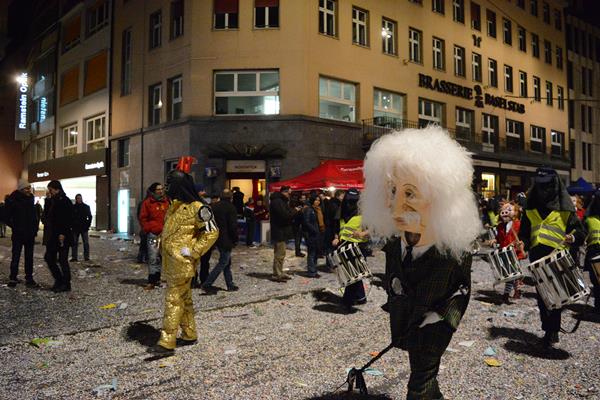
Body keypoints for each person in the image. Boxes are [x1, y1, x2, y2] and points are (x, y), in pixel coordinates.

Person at [360, 126, 481, 399]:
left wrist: (440, 317)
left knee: (420, 379)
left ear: (440, 198)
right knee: (422, 371)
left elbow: (462, 291)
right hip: (404, 320)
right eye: (393, 191)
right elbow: (393, 278)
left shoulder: (453, 252)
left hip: (433, 326)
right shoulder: (395, 246)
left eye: (410, 193)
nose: (397, 206)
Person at [152, 158, 219, 354]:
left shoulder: (199, 208)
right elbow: (171, 231)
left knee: (173, 300)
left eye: (168, 183)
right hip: (171, 262)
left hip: (183, 263)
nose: (165, 187)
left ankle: (167, 340)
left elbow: (212, 232)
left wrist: (194, 251)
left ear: (179, 185)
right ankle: (189, 334)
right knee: (185, 299)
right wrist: (160, 241)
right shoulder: (173, 207)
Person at [520, 167, 586, 348]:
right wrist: (522, 244)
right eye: (540, 185)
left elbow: (580, 232)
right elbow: (524, 233)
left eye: (547, 185)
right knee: (542, 297)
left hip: (558, 258)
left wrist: (572, 237)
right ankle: (548, 330)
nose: (543, 189)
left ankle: (552, 331)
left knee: (557, 296)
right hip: (537, 259)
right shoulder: (530, 208)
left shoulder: (565, 209)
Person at [332, 188, 368, 307]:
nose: (350, 204)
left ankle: (347, 301)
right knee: (353, 273)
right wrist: (337, 237)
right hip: (344, 246)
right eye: (348, 201)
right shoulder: (342, 212)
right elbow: (338, 227)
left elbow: (374, 228)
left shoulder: (364, 212)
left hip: (359, 246)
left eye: (353, 201)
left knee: (352, 274)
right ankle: (361, 298)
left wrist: (363, 233)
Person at [201, 189, 239, 293]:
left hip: (216, 236)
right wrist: (235, 239)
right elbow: (233, 226)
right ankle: (207, 284)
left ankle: (230, 284)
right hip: (226, 238)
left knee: (227, 262)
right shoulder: (231, 208)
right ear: (231, 197)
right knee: (223, 262)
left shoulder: (214, 207)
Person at [5, 179, 39, 287]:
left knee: (29, 257)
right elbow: (6, 216)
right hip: (18, 234)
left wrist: (35, 229)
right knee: (16, 256)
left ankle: (29, 278)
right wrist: (15, 226)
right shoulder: (13, 199)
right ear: (20, 189)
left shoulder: (31, 199)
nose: (29, 190)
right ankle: (13, 278)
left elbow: (34, 216)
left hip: (30, 234)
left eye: (29, 188)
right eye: (26, 188)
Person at [491, 202, 526, 304]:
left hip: (515, 253)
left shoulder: (518, 224)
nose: (505, 212)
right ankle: (517, 290)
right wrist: (494, 240)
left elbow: (521, 237)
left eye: (509, 210)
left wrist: (518, 243)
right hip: (504, 253)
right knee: (510, 274)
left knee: (511, 274)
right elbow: (499, 238)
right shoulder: (500, 226)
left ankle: (506, 294)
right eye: (503, 210)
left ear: (516, 212)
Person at [43, 180, 74, 292]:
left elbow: (67, 219)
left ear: (57, 189)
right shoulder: (53, 201)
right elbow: (48, 216)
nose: (49, 192)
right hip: (53, 235)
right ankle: (59, 280)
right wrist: (47, 200)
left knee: (62, 260)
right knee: (49, 257)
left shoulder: (65, 201)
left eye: (50, 189)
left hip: (62, 235)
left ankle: (66, 283)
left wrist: (63, 233)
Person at [139, 182, 170, 290]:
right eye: (158, 189)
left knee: (163, 258)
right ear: (153, 191)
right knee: (153, 257)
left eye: (161, 189)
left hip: (165, 234)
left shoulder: (167, 202)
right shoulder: (147, 203)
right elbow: (143, 218)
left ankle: (159, 278)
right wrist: (149, 228)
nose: (161, 191)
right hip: (154, 234)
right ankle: (152, 280)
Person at [269, 186, 302, 282]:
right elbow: (285, 215)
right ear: (284, 192)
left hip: (281, 231)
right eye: (289, 193)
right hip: (279, 231)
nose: (289, 195)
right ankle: (276, 274)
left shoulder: (280, 201)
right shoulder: (277, 202)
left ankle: (279, 272)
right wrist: (295, 210)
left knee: (281, 253)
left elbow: (286, 213)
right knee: (279, 254)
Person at [583, 189, 600, 313]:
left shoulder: (588, 219)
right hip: (594, 253)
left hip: (594, 252)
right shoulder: (588, 219)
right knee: (596, 282)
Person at [302, 194, 322, 278]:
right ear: (312, 201)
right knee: (312, 253)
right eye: (316, 200)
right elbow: (306, 222)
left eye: (319, 200)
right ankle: (311, 272)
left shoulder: (317, 209)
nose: (318, 202)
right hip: (311, 234)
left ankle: (314, 270)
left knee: (316, 253)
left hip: (317, 234)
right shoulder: (309, 209)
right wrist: (314, 230)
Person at [324, 190, 345, 269]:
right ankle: (330, 264)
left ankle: (330, 264)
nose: (343, 198)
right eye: (342, 196)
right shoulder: (335, 205)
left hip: (330, 228)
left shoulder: (332, 203)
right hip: (332, 229)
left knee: (331, 247)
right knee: (331, 247)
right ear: (338, 196)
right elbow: (335, 219)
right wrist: (336, 232)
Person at [70, 194, 92, 262]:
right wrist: (71, 225)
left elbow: (90, 216)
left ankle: (86, 257)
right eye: (78, 198)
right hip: (75, 228)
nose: (79, 199)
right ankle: (74, 257)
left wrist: (88, 225)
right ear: (76, 199)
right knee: (74, 243)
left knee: (86, 243)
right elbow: (70, 217)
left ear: (81, 199)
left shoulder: (86, 207)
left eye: (80, 198)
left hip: (84, 228)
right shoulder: (73, 207)